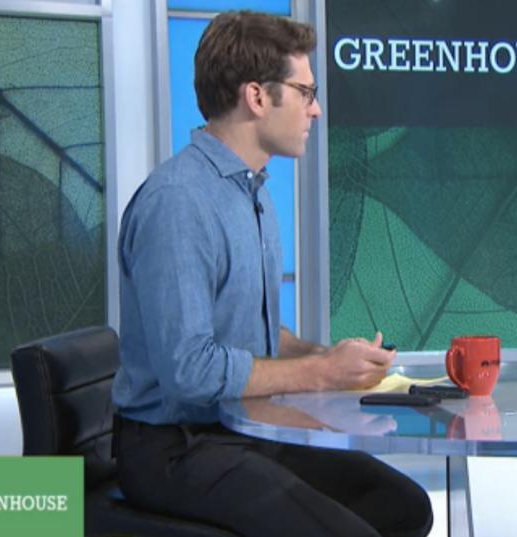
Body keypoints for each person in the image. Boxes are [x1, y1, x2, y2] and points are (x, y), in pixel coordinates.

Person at [111, 11, 433, 537]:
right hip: (174, 447)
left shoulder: (251, 191)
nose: (316, 109)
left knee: (404, 506)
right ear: (257, 97)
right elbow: (189, 371)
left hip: (238, 427)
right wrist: (321, 373)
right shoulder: (178, 202)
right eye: (306, 92)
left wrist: (324, 354)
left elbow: (245, 333)